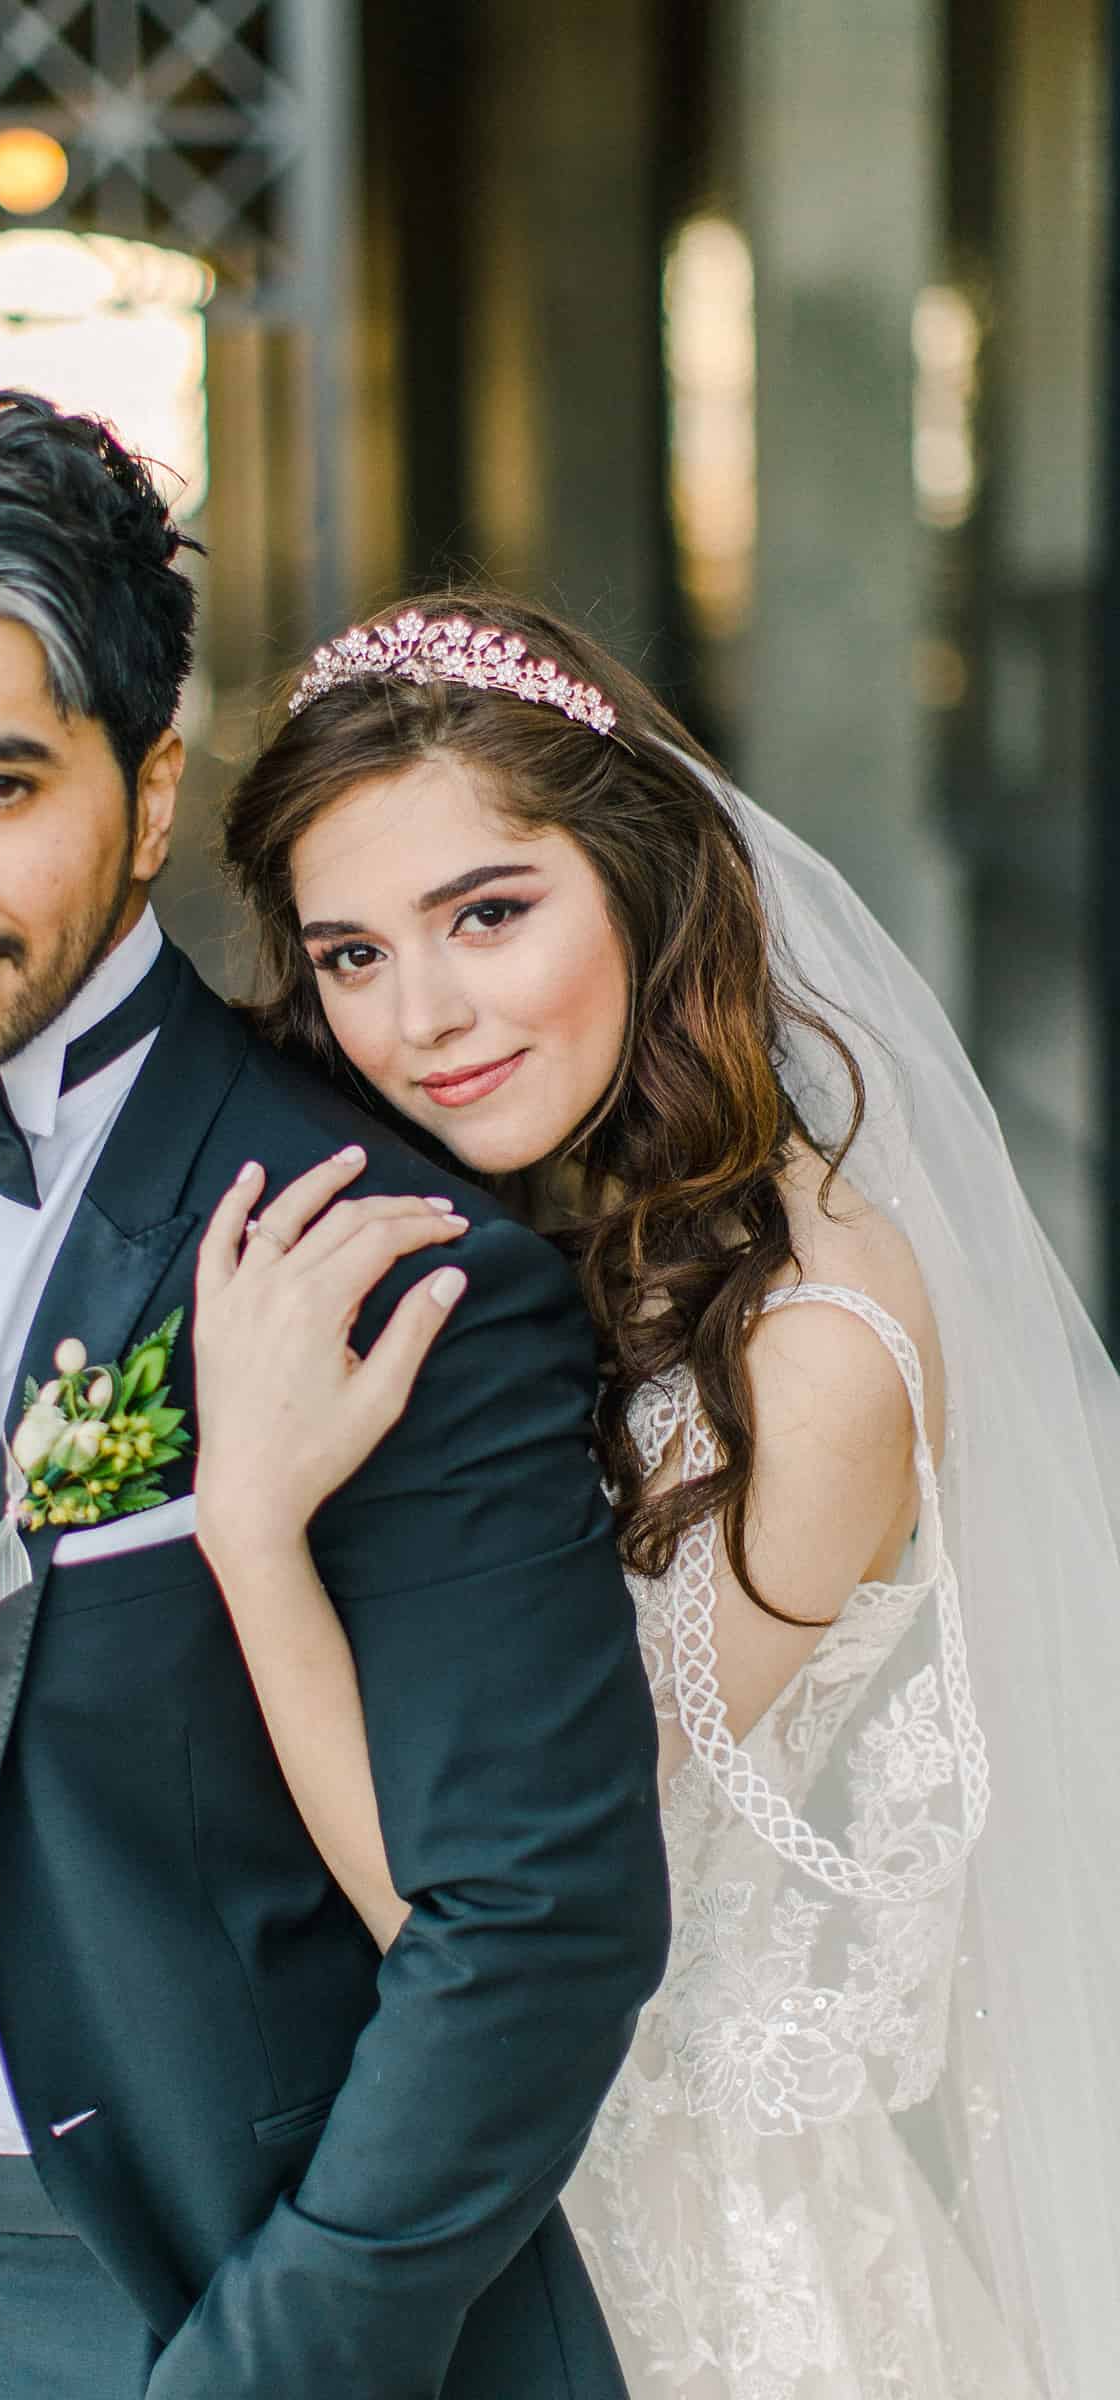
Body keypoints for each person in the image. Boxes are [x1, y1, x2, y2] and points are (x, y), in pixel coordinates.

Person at [0, 393, 670, 2400]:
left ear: (144, 798)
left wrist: (270, 2366)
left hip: (201, 2304)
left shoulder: (372, 1251)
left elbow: (538, 1923)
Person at [197, 592, 1120, 2399]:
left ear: (641, 879)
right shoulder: (506, 1208)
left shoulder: (823, 1345)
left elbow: (478, 1904)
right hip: (487, 2181)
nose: (424, 1016)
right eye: (352, 955)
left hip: (693, 2260)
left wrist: (252, 1529)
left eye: (488, 914)